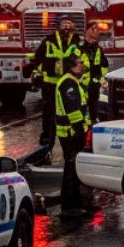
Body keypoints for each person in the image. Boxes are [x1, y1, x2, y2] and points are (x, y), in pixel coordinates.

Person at [23, 16, 81, 163]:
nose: (66, 28)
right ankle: (47, 138)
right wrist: (36, 73)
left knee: (69, 110)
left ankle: (71, 136)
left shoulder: (77, 41)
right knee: (49, 111)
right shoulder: (49, 40)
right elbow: (38, 57)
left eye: (69, 25)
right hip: (50, 82)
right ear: (58, 27)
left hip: (68, 82)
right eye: (64, 25)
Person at [54, 56, 89, 217]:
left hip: (71, 132)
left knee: (73, 167)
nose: (81, 65)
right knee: (70, 168)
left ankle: (75, 203)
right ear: (72, 67)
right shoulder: (69, 83)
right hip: (70, 133)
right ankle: (69, 206)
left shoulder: (71, 81)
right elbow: (73, 111)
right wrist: (80, 130)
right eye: (79, 63)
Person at [77, 21, 109, 125]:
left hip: (93, 82)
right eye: (90, 38)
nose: (92, 41)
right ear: (85, 37)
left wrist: (100, 79)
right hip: (81, 82)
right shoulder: (80, 49)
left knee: (93, 104)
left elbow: (104, 64)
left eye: (94, 39)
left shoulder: (97, 49)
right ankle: (83, 124)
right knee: (81, 105)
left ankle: (92, 122)